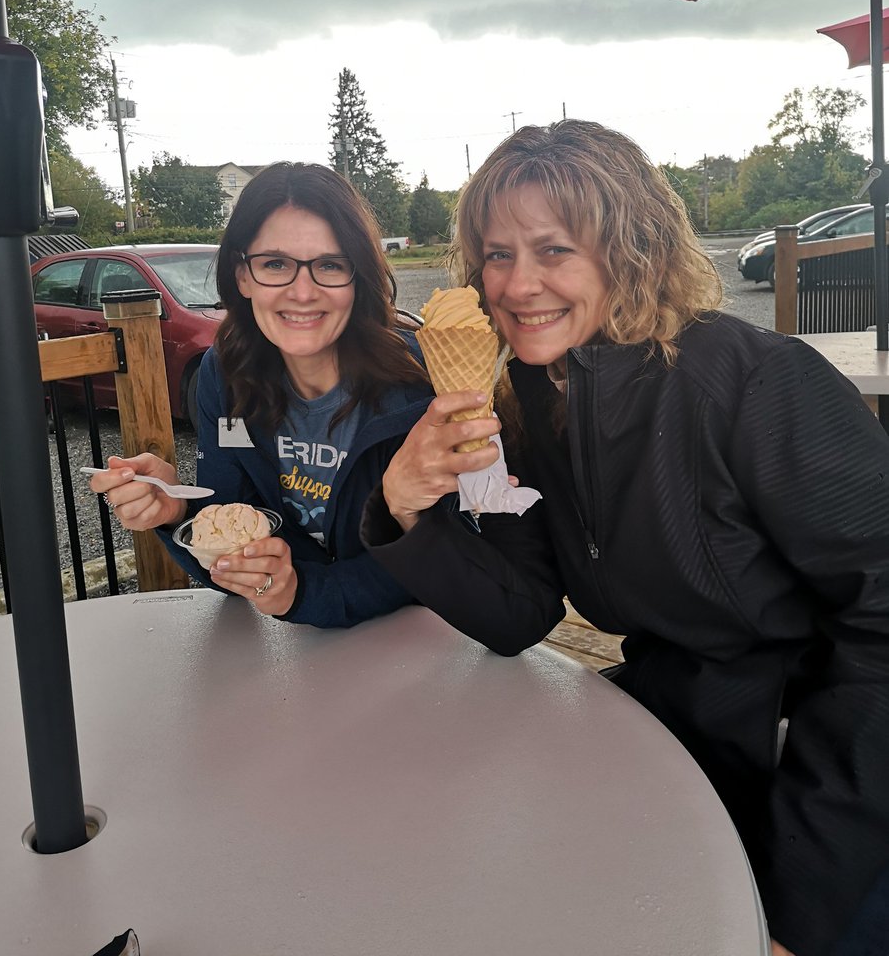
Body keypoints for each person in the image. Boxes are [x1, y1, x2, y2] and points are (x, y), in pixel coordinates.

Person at [361, 120, 889, 956]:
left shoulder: (755, 381)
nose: (518, 283)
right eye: (497, 255)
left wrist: (801, 905)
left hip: (834, 779)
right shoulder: (530, 403)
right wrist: (404, 508)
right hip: (681, 738)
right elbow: (519, 613)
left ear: (629, 251)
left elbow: (882, 629)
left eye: (554, 250)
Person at [89, 161, 432, 626]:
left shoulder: (417, 380)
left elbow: (441, 556)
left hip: (417, 637)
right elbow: (238, 537)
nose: (303, 292)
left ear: (358, 277)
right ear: (243, 275)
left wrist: (302, 593)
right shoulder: (226, 375)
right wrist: (177, 512)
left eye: (330, 264)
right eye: (275, 264)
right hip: (298, 652)